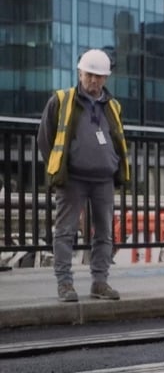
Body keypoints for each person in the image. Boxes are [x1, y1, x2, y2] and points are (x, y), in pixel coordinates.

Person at [36, 49, 129, 303]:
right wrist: (60, 166)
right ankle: (65, 284)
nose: (94, 81)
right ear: (80, 73)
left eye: (99, 76)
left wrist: (114, 166)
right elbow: (45, 138)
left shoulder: (113, 106)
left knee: (104, 233)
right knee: (65, 231)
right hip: (73, 178)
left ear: (106, 78)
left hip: (104, 179)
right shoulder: (62, 100)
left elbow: (117, 139)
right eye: (89, 75)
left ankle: (100, 282)